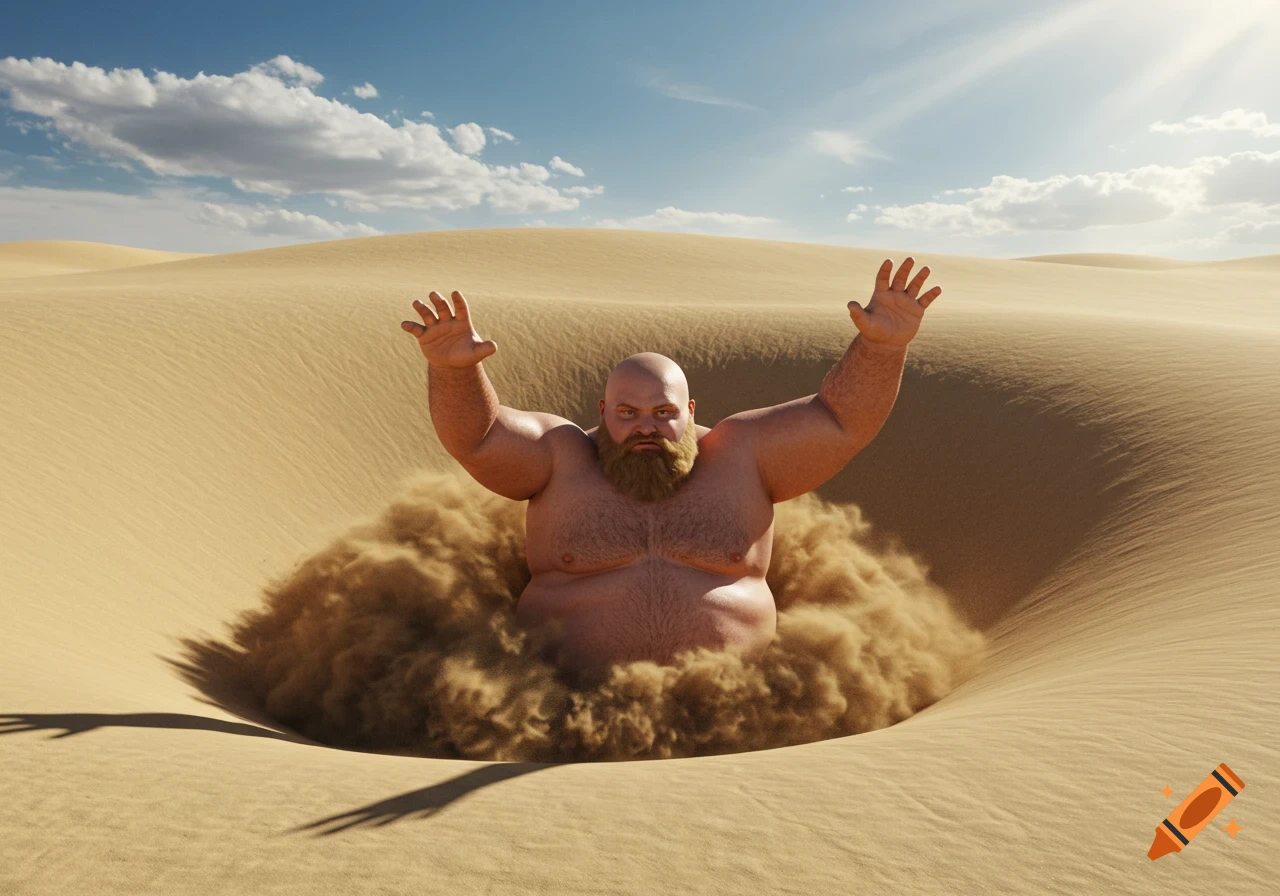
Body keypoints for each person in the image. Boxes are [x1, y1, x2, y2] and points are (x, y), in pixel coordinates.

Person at [401, 258, 942, 683]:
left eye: (664, 413)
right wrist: (454, 372)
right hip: (555, 710)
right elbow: (480, 438)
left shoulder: (742, 455)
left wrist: (881, 347)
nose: (646, 427)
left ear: (690, 411)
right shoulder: (560, 456)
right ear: (602, 412)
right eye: (628, 413)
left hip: (740, 708)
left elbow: (841, 422)